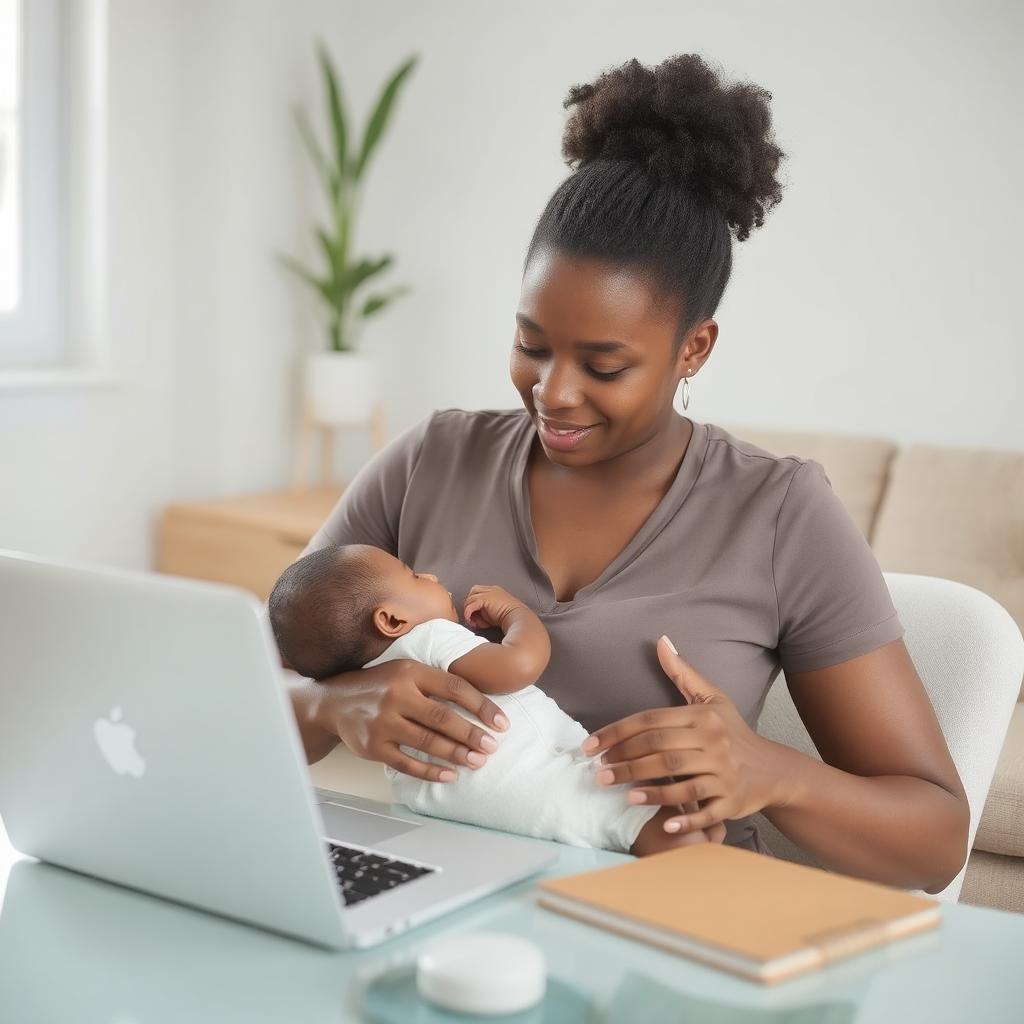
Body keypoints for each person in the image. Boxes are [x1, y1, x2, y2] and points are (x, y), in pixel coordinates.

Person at [284, 53, 969, 892]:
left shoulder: (779, 512)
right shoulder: (432, 460)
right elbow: (238, 680)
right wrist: (326, 707)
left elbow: (935, 840)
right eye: (531, 345)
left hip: (668, 920)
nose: (554, 393)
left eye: (604, 365)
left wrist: (771, 772)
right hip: (440, 899)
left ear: (694, 348)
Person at [267, 542, 715, 855]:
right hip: (539, 784)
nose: (431, 575)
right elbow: (517, 667)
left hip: (455, 810)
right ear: (391, 619)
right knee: (648, 819)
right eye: (412, 575)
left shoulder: (360, 674)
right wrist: (515, 613)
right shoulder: (429, 638)